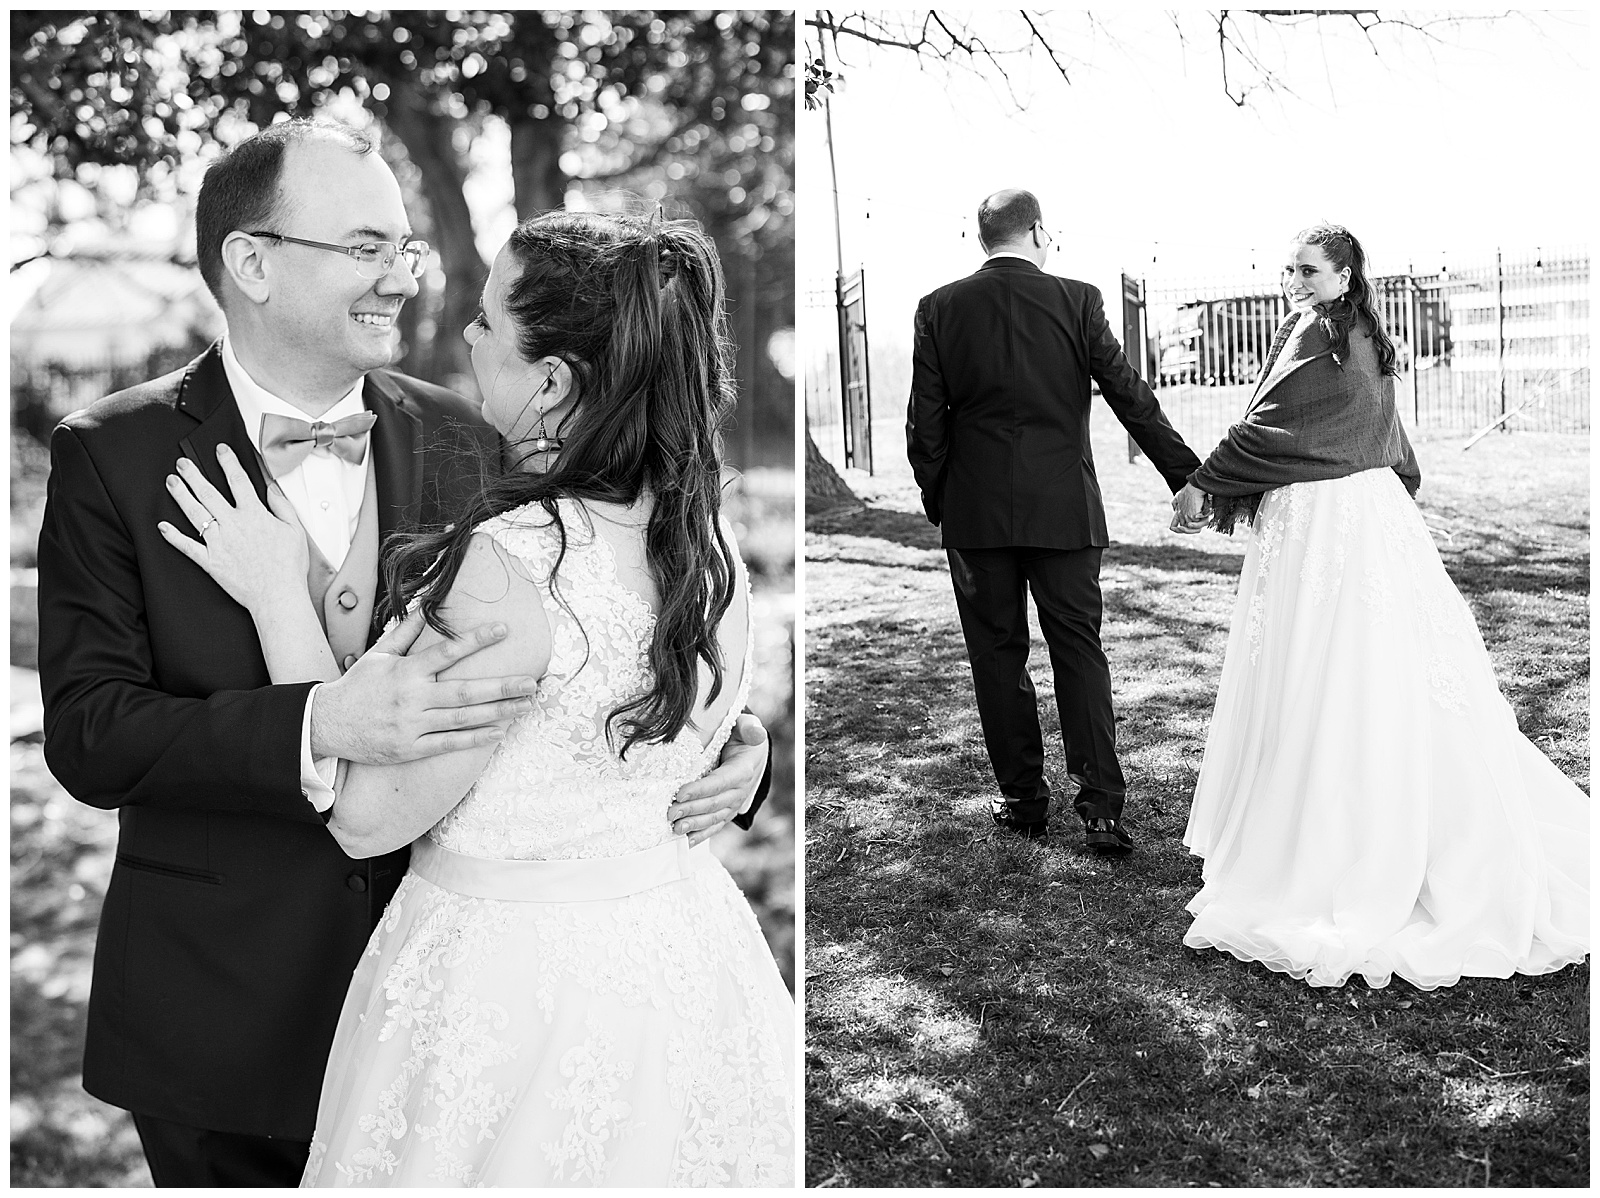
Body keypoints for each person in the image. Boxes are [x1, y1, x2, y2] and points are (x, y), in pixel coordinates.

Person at [35, 120, 771, 1188]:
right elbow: (92, 734)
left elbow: (586, 654)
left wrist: (724, 746)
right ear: (252, 261)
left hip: (474, 1018)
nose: (405, 280)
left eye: (407, 249)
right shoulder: (114, 451)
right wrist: (314, 724)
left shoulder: (477, 435)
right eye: (368, 246)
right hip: (221, 1012)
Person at [1170, 222, 1589, 989]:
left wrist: (1203, 480)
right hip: (1365, 514)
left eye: (1307, 267)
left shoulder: (1327, 332)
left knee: (1336, 668)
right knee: (1368, 665)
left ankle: (1336, 841)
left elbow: (1275, 425)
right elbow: (1370, 430)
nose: (1292, 277)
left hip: (1330, 525)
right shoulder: (1358, 327)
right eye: (1288, 266)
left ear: (1344, 272)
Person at [906, 188, 1201, 854]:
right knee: (1078, 651)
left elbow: (925, 426)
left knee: (996, 657)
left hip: (976, 515)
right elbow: (1129, 393)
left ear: (982, 237)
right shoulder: (1079, 299)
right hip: (1064, 507)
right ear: (1039, 232)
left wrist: (942, 504)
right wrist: (1185, 474)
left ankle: (1024, 801)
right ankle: (1100, 810)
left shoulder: (939, 308)